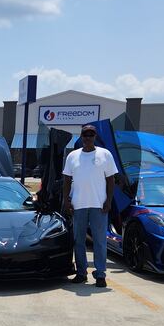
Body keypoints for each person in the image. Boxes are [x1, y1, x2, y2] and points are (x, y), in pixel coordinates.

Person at [62, 123, 118, 288]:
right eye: (85, 135)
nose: (88, 138)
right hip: (78, 204)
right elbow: (66, 180)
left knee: (100, 241)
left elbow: (111, 179)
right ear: (81, 137)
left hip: (99, 205)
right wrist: (66, 200)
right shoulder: (72, 156)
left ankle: (100, 275)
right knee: (79, 241)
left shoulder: (105, 154)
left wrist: (108, 200)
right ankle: (81, 273)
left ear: (95, 137)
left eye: (91, 135)